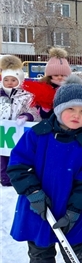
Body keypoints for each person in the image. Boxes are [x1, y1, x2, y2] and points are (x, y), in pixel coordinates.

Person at [7, 75, 82, 263]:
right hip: (37, 206)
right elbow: (18, 166)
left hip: (71, 210)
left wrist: (74, 211)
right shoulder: (37, 135)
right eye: (71, 109)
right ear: (59, 110)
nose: (77, 115)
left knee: (76, 252)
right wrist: (33, 192)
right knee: (40, 252)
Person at [0, 55, 40, 187]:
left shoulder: (26, 96)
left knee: (16, 157)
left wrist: (27, 116)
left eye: (13, 80)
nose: (10, 82)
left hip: (18, 132)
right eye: (6, 79)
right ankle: (4, 180)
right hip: (3, 134)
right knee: (2, 157)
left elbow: (34, 111)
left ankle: (17, 179)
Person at [22, 47, 72, 120]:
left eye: (63, 75)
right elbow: (35, 108)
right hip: (46, 120)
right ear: (50, 75)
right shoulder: (43, 87)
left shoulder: (71, 87)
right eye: (56, 75)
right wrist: (44, 108)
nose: (60, 77)